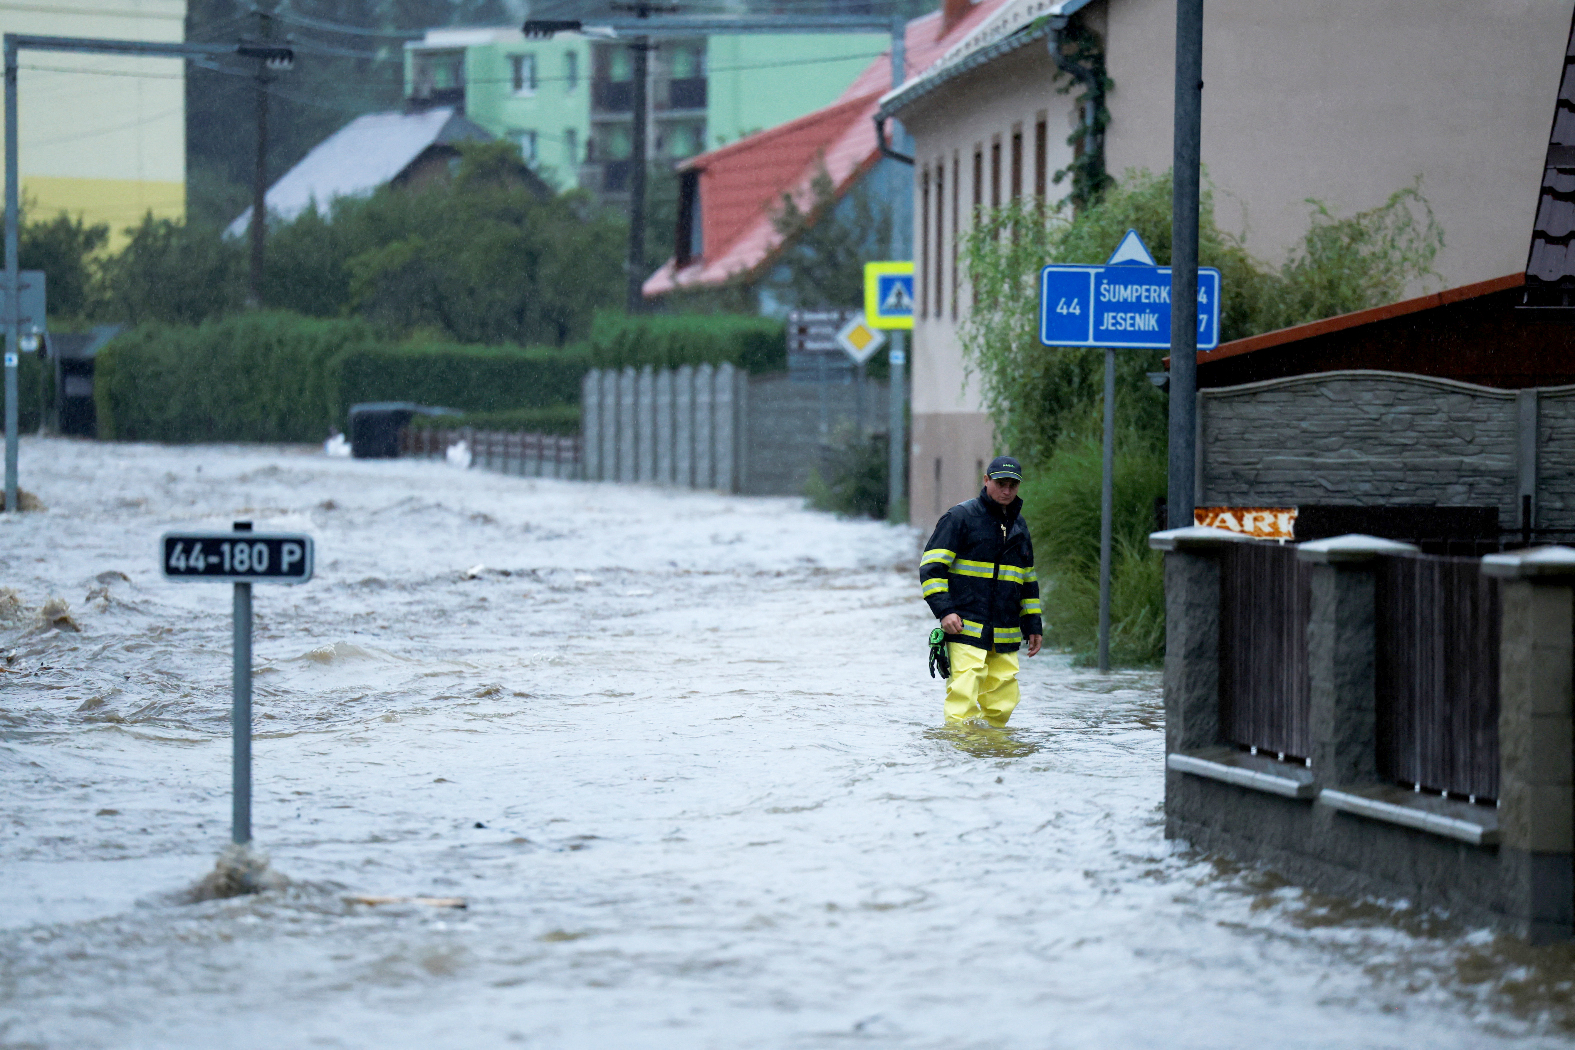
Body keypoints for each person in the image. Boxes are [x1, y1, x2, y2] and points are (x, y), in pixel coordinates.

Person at [919, 456, 1043, 726]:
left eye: (1012, 485)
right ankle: (959, 759)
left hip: (1005, 631)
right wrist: (945, 611)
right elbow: (931, 568)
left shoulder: (1020, 527)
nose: (1006, 490)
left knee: (1002, 704)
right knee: (962, 699)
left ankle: (993, 756)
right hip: (964, 626)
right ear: (986, 480)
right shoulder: (959, 517)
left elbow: (1027, 581)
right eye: (1000, 483)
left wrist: (1033, 624)